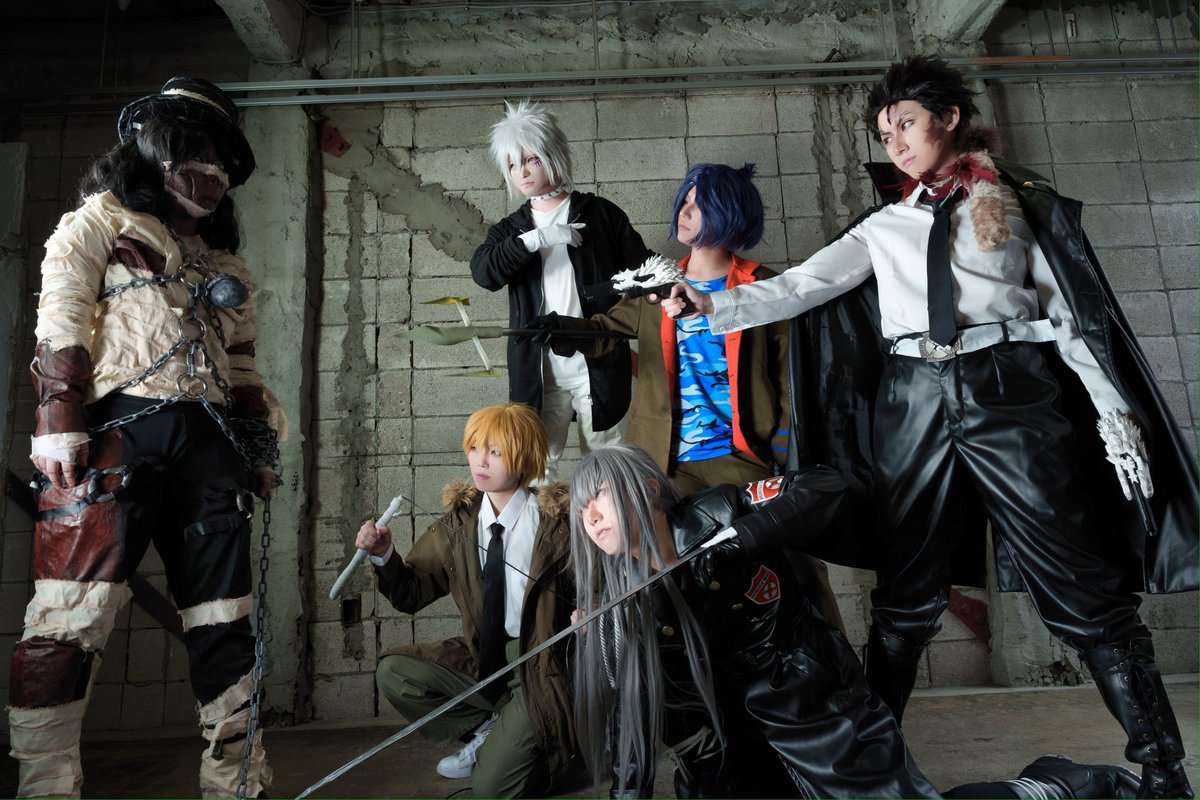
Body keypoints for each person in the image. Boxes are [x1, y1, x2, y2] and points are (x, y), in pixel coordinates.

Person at [662, 55, 1197, 798]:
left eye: (906, 125)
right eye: (886, 135)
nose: (897, 143)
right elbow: (801, 286)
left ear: (947, 119)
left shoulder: (1014, 206)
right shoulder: (884, 225)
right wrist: (710, 303)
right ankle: (867, 771)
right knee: (905, 597)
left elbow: (1070, 318)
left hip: (1010, 390)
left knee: (1082, 589)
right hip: (913, 400)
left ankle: (1165, 771)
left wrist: (1113, 410)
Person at [569, 444, 1142, 799]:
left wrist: (747, 536)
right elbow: (630, 728)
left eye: (600, 496)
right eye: (581, 509)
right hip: (730, 751)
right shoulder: (617, 606)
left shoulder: (723, 510)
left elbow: (825, 485)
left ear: (647, 486)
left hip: (816, 707)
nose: (590, 517)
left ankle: (1060, 783)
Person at [10, 77, 283, 798]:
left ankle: (237, 784)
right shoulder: (98, 222)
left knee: (225, 623)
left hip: (210, 450)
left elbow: (243, 365)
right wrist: (58, 415)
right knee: (70, 619)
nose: (212, 174)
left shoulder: (223, 264)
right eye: (196, 154)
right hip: (114, 439)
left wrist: (257, 448)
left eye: (222, 161)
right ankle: (45, 788)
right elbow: (62, 314)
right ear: (154, 154)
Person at [530, 162, 843, 628]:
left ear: (731, 212)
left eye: (700, 204)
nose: (684, 211)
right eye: (685, 201)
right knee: (638, 562)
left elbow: (789, 379)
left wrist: (781, 454)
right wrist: (561, 329)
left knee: (790, 556)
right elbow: (606, 330)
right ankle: (631, 649)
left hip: (742, 456)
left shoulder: (762, 286)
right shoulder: (655, 284)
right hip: (661, 463)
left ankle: (827, 653)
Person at [356, 402, 578, 797]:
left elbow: (599, 589)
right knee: (395, 673)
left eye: (495, 451)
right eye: (475, 447)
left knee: (490, 789)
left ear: (523, 457)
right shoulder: (459, 523)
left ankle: (551, 749)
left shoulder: (557, 524)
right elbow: (411, 593)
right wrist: (383, 554)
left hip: (542, 667)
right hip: (484, 658)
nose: (480, 460)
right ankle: (489, 730)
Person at [470, 100, 653, 480]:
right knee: (536, 471)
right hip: (538, 371)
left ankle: (606, 522)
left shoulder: (600, 215)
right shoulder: (511, 229)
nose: (521, 171)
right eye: (512, 164)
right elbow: (484, 273)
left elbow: (645, 271)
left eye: (531, 159)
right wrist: (536, 239)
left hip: (599, 364)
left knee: (607, 467)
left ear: (553, 154)